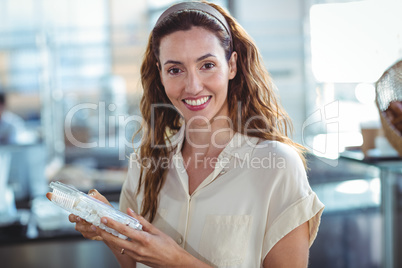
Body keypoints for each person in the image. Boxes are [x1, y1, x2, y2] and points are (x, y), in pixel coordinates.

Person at [49, 1, 324, 267]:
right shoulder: (145, 164)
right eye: (175, 70)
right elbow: (134, 263)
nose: (192, 86)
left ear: (232, 65)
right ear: (161, 74)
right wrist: (108, 228)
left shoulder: (276, 165)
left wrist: (178, 263)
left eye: (207, 65)